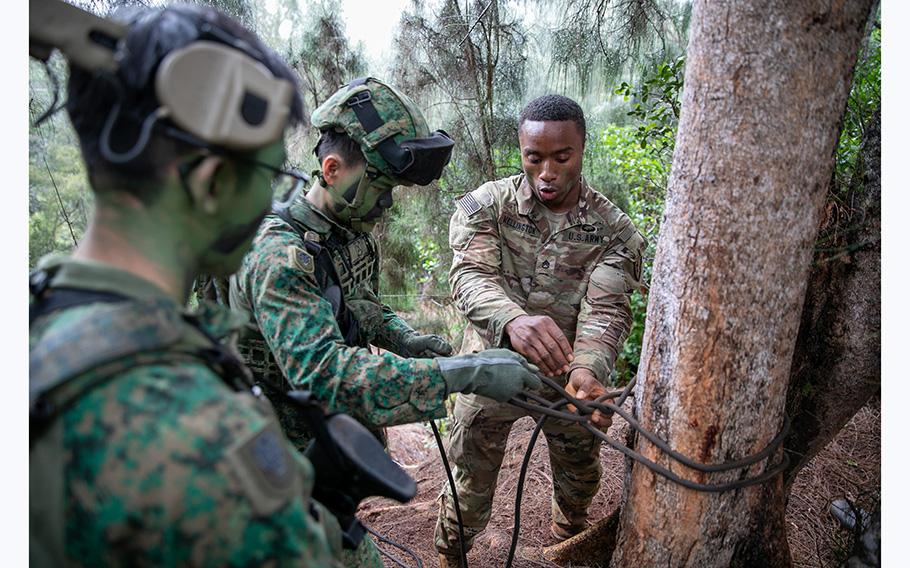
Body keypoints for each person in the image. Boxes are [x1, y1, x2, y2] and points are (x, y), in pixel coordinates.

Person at [29, 3, 344, 565]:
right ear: (213, 182)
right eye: (271, 178)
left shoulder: (36, 312)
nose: (271, 205)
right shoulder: (204, 435)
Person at [228, 76, 543, 566]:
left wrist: (408, 340)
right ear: (332, 170)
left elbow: (359, 306)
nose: (388, 203)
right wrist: (466, 372)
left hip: (323, 450)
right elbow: (326, 375)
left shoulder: (349, 234)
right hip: (268, 460)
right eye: (380, 186)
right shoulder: (279, 255)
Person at [434, 94, 646, 567]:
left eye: (561, 157)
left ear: (582, 150)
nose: (547, 172)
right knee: (467, 483)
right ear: (522, 151)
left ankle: (567, 539)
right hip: (489, 371)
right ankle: (450, 556)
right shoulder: (486, 206)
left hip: (566, 382)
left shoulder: (614, 231)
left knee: (579, 477)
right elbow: (468, 276)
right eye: (534, 157)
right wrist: (512, 321)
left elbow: (605, 309)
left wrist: (588, 371)